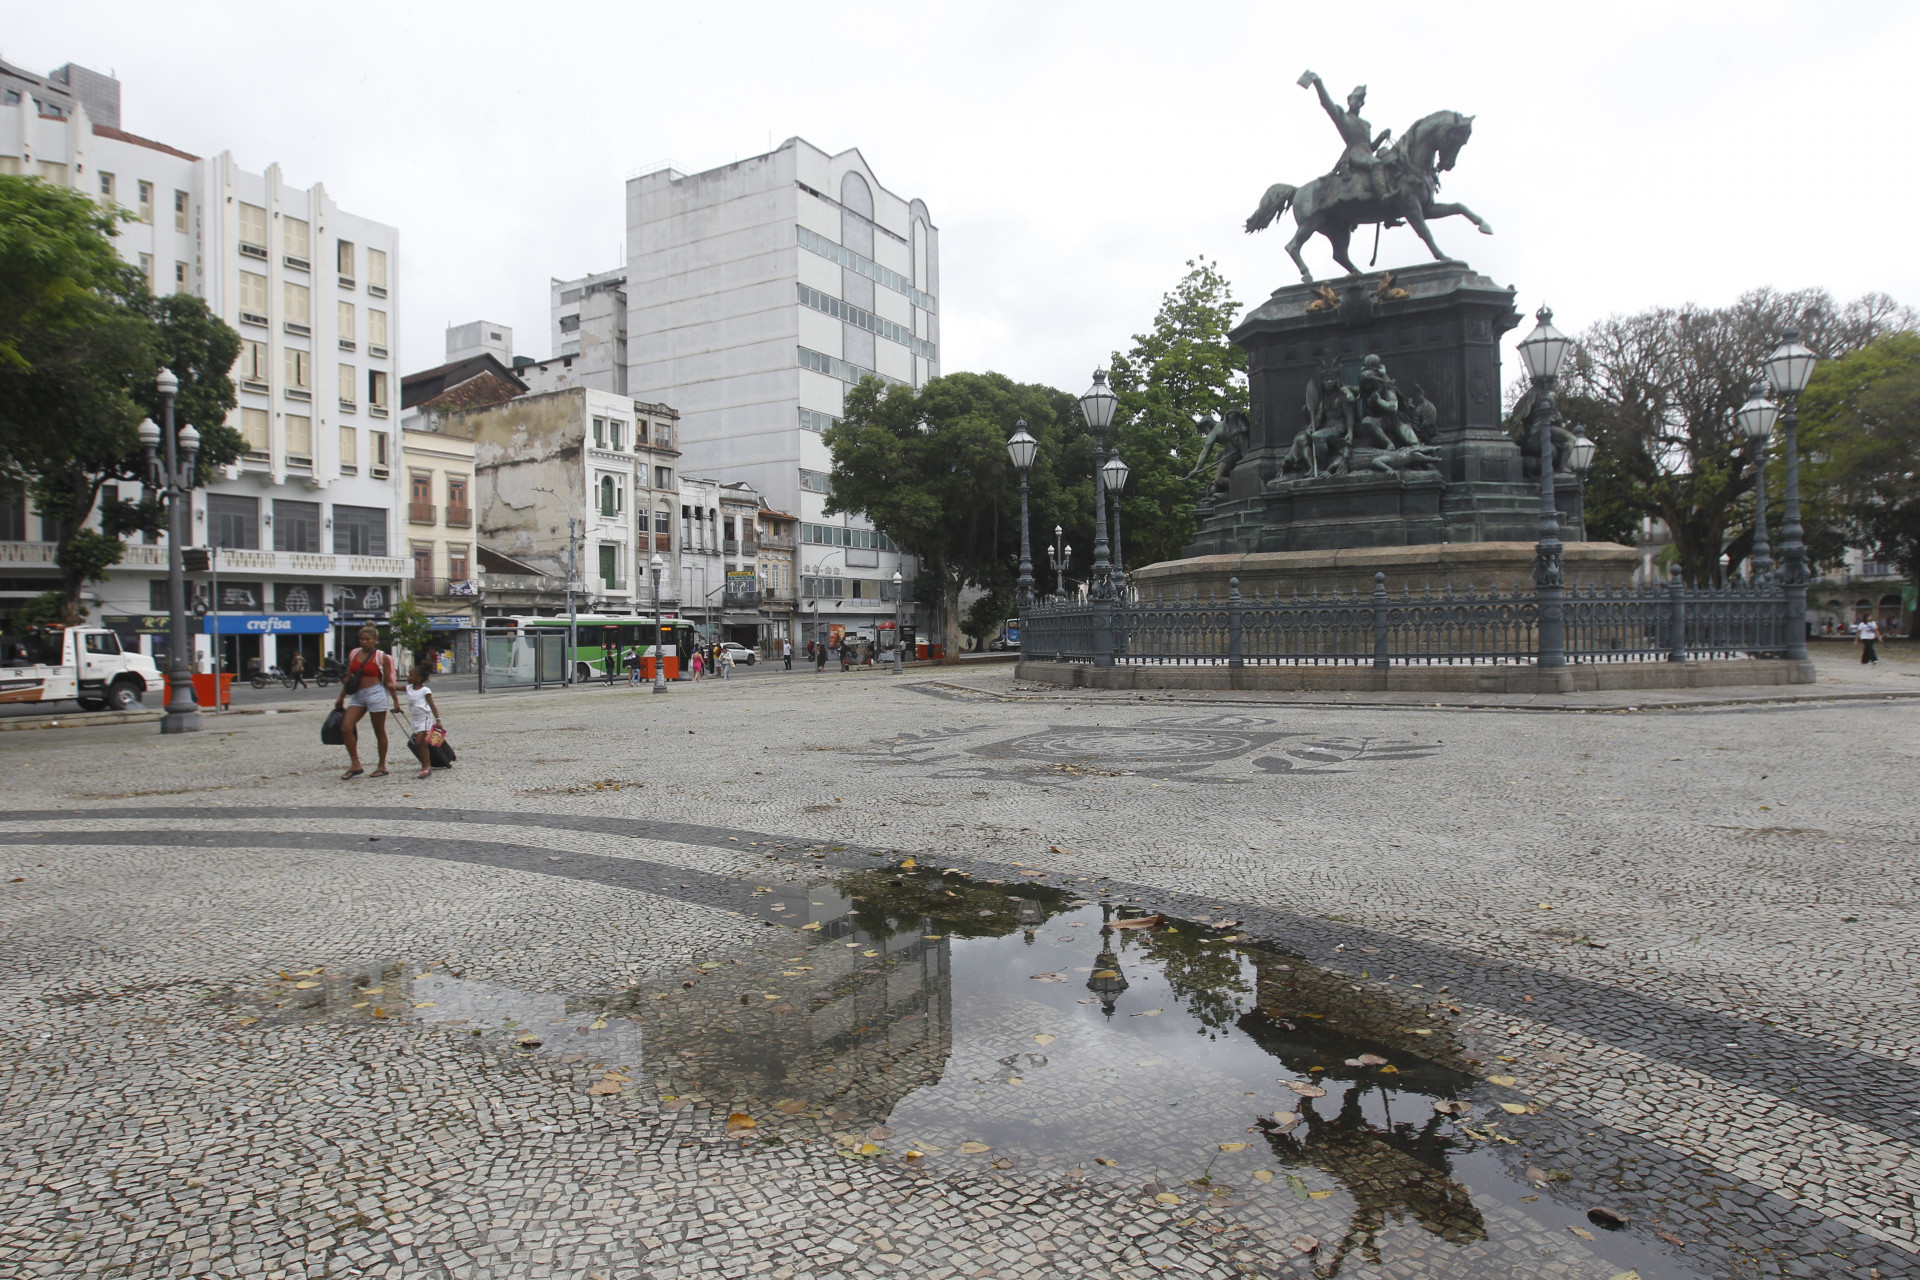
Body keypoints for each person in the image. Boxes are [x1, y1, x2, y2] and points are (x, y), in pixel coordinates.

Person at [334, 625, 400, 779]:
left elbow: (388, 680)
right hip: (358, 695)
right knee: (346, 727)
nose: (364, 642)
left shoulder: (381, 657)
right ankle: (355, 764)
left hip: (375, 693)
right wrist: (341, 696)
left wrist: (396, 701)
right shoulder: (354, 653)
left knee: (379, 731)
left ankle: (381, 766)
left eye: (367, 639)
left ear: (375, 640)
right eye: (361, 639)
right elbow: (349, 677)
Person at [403, 660, 444, 780]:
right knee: (420, 744)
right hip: (415, 719)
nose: (408, 677)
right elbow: (393, 687)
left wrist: (438, 720)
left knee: (419, 742)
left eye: (411, 675)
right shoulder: (409, 688)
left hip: (425, 718)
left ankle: (426, 766)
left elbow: (432, 705)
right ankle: (425, 763)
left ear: (419, 678)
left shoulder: (425, 691)